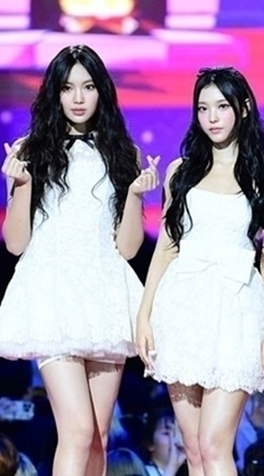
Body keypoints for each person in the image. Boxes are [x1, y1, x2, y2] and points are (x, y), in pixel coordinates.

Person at [0, 44, 158, 476]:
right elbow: (15, 243)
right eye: (68, 88)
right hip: (54, 295)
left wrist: (135, 195)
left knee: (99, 436)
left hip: (105, 295)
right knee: (77, 431)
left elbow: (128, 249)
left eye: (88, 87)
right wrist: (21, 186)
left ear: (101, 91)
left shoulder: (121, 152)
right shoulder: (31, 151)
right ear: (54, 93)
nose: (78, 97)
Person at [135, 66, 264, 476]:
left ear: (244, 108)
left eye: (221, 106)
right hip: (182, 307)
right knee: (194, 449)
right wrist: (144, 315)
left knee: (215, 444)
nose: (212, 117)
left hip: (237, 310)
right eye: (203, 108)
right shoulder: (180, 173)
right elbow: (166, 248)